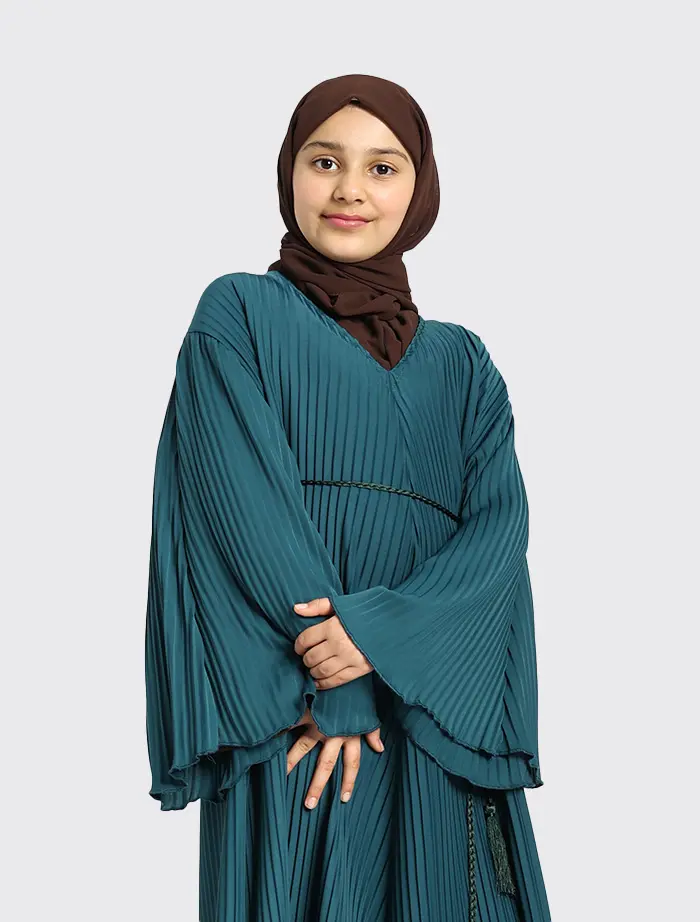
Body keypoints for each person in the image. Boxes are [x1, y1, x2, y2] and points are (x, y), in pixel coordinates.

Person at [144, 73, 551, 922]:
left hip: (431, 706)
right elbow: (238, 508)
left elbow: (497, 535)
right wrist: (333, 683)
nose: (350, 190)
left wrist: (379, 636)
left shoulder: (466, 364)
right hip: (293, 711)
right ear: (289, 171)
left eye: (383, 167)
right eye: (325, 161)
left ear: (420, 188)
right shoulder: (239, 314)